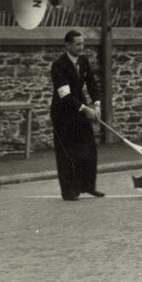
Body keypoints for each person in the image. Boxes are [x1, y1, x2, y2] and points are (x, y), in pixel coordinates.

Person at [50, 30, 104, 200]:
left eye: (83, 43)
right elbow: (65, 95)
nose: (82, 47)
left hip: (80, 109)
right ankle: (69, 191)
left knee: (89, 148)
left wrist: (96, 104)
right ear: (68, 45)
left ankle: (88, 186)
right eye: (78, 44)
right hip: (63, 113)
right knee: (67, 152)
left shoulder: (83, 61)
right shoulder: (59, 65)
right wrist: (85, 109)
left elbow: (91, 84)